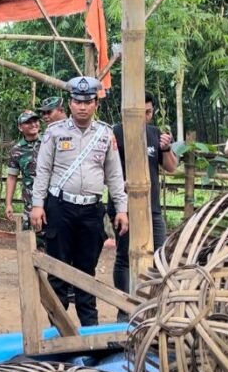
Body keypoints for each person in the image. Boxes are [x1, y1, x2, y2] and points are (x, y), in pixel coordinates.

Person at [30, 76, 128, 327]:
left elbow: (114, 174)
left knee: (87, 271)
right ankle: (58, 329)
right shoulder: (54, 132)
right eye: (77, 101)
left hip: (91, 210)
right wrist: (38, 205)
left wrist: (121, 209)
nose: (82, 107)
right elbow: (43, 170)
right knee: (57, 270)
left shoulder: (105, 134)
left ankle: (89, 331)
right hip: (60, 207)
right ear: (70, 104)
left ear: (96, 104)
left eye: (87, 102)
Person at [108, 93, 179, 319]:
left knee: (160, 255)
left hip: (152, 207)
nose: (145, 117)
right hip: (123, 206)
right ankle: (124, 309)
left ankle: (154, 307)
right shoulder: (114, 133)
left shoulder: (155, 133)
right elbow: (103, 168)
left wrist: (166, 149)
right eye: (141, 112)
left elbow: (171, 168)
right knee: (124, 256)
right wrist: (119, 185)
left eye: (148, 112)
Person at [5, 110, 43, 239]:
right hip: (30, 202)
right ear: (20, 127)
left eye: (35, 121)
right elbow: (12, 177)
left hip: (51, 199)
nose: (33, 124)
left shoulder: (48, 142)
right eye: (28, 122)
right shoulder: (17, 150)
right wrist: (8, 203)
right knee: (31, 238)